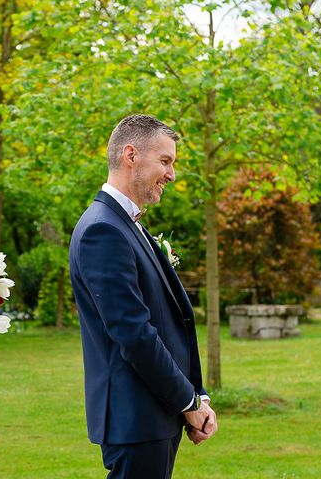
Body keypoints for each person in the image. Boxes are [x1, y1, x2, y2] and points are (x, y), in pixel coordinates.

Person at [69, 115, 217, 479]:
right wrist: (187, 402)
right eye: (165, 161)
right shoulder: (103, 230)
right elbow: (134, 334)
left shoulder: (128, 225)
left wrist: (197, 396)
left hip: (155, 414)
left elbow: (170, 321)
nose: (172, 175)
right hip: (135, 417)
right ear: (130, 154)